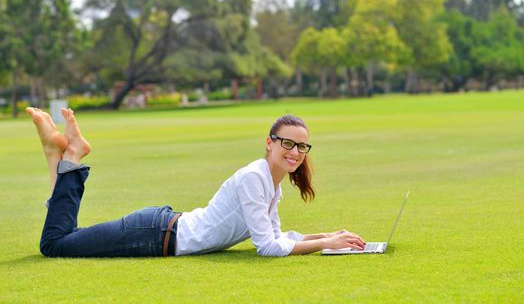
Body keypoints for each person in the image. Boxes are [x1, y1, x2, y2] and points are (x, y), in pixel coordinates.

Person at [26, 107, 366, 257]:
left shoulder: (270, 184)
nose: (294, 152)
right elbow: (267, 248)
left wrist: (329, 237)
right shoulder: (253, 178)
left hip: (161, 230)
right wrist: (323, 244)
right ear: (269, 142)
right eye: (287, 143)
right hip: (155, 235)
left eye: (301, 146)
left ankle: (58, 156)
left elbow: (276, 238)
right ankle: (69, 155)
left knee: (65, 238)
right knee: (55, 245)